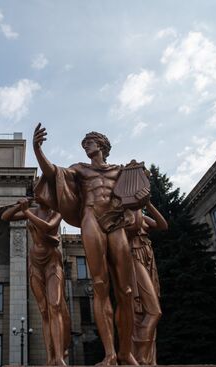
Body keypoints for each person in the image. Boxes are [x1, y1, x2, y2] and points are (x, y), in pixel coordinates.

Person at [33, 123, 141, 366]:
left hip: (115, 222)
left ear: (101, 145)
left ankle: (126, 352)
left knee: (125, 290)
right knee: (100, 285)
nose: (85, 147)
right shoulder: (79, 170)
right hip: (91, 218)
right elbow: (52, 174)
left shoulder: (121, 170)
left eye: (89, 143)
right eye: (84, 145)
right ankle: (110, 354)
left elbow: (135, 198)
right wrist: (38, 149)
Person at [1, 197, 71, 365]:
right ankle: (50, 358)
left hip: (52, 261)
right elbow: (5, 217)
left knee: (54, 306)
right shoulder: (31, 211)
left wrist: (25, 212)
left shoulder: (56, 212)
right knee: (44, 311)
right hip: (35, 262)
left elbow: (47, 227)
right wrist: (19, 206)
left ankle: (60, 357)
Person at [127, 201, 167, 365]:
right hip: (133, 257)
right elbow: (132, 229)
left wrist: (148, 203)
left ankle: (148, 358)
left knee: (145, 311)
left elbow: (163, 225)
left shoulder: (142, 216)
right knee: (153, 311)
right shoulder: (126, 216)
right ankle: (140, 355)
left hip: (148, 259)